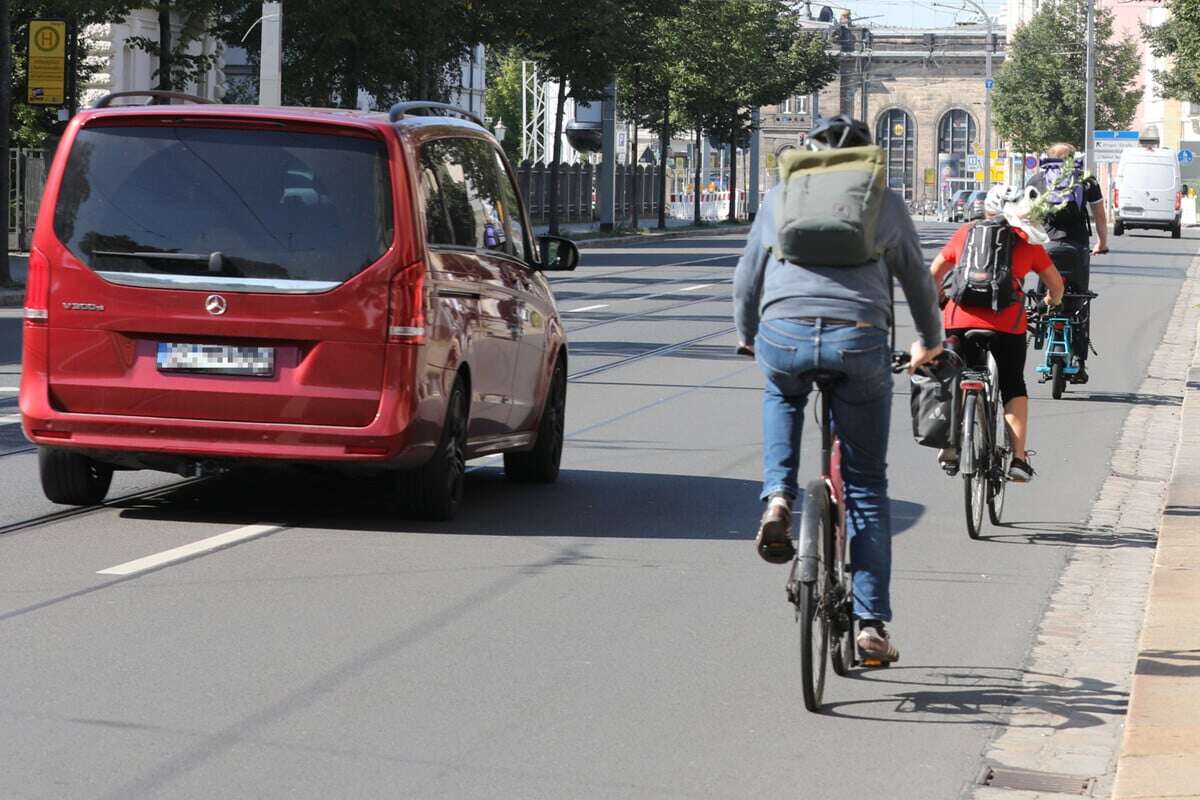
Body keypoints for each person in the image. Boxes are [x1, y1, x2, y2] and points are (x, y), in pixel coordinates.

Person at [733, 115, 944, 663]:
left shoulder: (782, 193)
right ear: (867, 155)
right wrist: (929, 340)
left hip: (785, 332)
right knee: (867, 484)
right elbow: (917, 279)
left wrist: (747, 333)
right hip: (859, 337)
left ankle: (778, 498)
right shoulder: (883, 199)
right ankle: (871, 626)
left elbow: (747, 273)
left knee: (782, 392)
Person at [930, 185, 1066, 482]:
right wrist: (1048, 303)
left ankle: (950, 441)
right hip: (1008, 323)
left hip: (959, 318)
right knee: (1013, 384)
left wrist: (940, 300)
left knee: (954, 376)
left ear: (985, 210)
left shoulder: (964, 234)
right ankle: (1018, 459)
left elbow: (933, 274)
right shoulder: (1027, 241)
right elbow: (1056, 287)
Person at [1027, 143, 1108, 383]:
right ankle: (1079, 363)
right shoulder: (1086, 179)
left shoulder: (1037, 180)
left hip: (1047, 249)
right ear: (1074, 159)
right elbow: (1100, 215)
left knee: (1044, 296)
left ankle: (1041, 327)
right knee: (1080, 302)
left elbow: (1027, 218)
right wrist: (1102, 243)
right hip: (1077, 248)